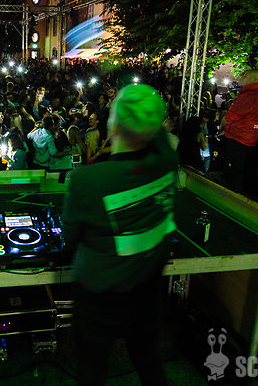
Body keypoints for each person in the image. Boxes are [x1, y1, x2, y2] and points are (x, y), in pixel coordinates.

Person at [62, 84, 176, 386]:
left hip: (99, 295)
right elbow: (159, 135)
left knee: (92, 371)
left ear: (112, 128)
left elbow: (70, 233)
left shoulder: (87, 180)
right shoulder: (167, 161)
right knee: (149, 362)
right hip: (147, 288)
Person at [220, 69, 258, 196]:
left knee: (235, 175)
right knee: (249, 172)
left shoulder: (248, 97)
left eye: (245, 75)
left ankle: (233, 199)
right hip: (254, 138)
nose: (241, 77)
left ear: (254, 79)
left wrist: (221, 128)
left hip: (239, 138)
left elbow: (228, 118)